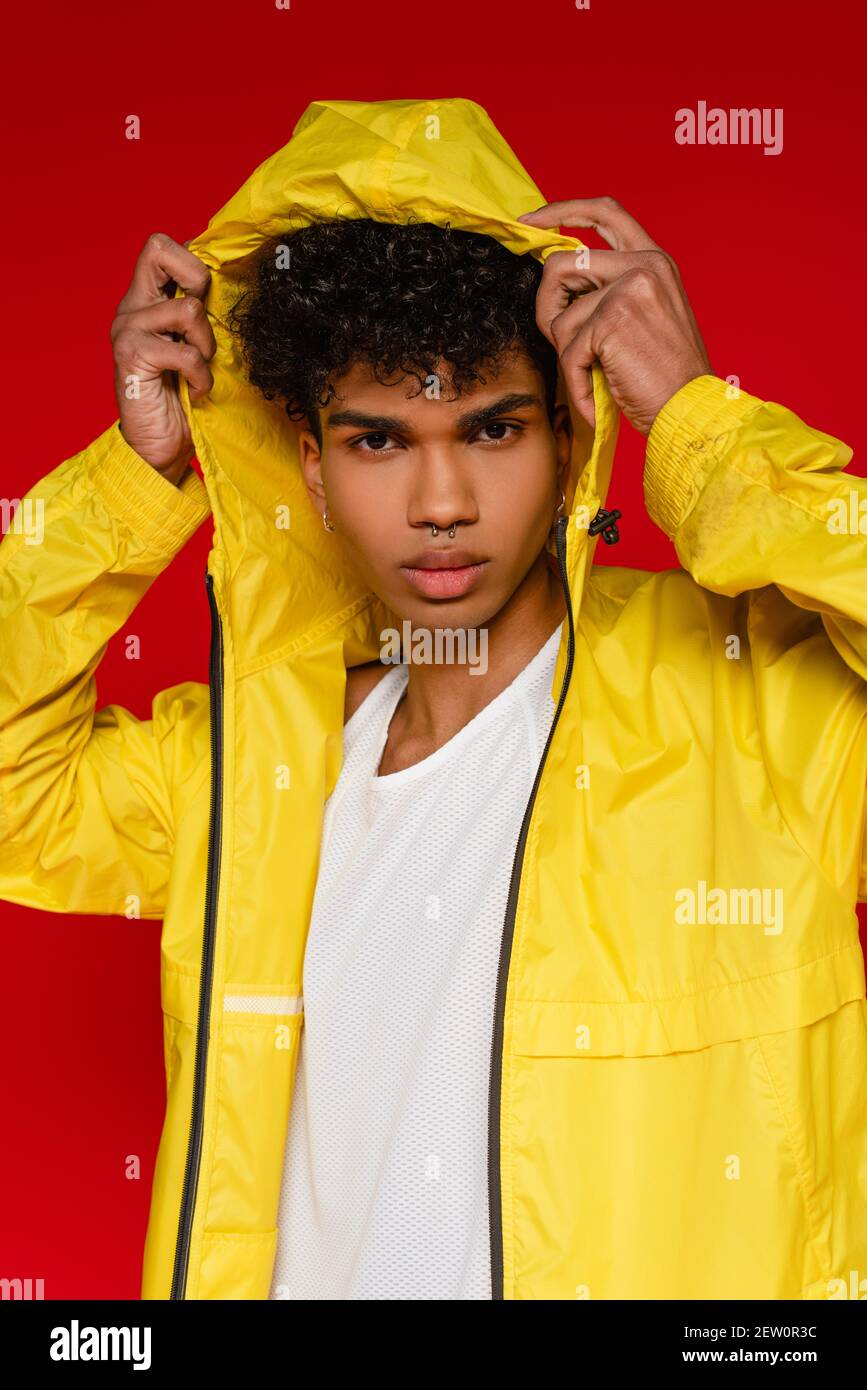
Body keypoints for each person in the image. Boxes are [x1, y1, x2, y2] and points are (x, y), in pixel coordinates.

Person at [1, 96, 865, 1301]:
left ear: (573, 428)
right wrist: (135, 476)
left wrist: (701, 427)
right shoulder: (253, 760)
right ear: (307, 458)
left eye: (492, 427)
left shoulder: (757, 699)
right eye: (377, 442)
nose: (442, 499)